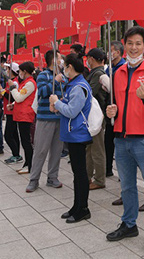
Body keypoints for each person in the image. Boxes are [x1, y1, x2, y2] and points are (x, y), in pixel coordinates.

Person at [106, 26, 144, 257]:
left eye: (138, 43)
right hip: (121, 139)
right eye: (130, 43)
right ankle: (129, 225)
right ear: (124, 44)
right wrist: (111, 111)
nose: (133, 47)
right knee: (127, 186)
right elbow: (114, 104)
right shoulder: (116, 72)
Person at [50, 53, 92, 223]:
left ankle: (83, 208)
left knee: (80, 174)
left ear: (70, 67)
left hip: (78, 135)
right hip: (72, 134)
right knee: (77, 173)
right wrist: (58, 107)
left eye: (65, 66)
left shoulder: (79, 87)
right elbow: (68, 108)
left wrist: (57, 102)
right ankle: (77, 206)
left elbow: (72, 111)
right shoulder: (73, 84)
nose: (63, 69)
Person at [26, 50, 65, 192]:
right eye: (60, 58)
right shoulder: (43, 75)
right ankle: (34, 179)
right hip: (45, 119)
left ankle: (52, 177)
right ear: (53, 60)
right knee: (40, 150)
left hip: (60, 118)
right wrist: (55, 81)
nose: (62, 61)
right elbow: (42, 92)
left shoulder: (63, 75)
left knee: (57, 150)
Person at [86, 48, 109, 191]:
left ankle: (100, 179)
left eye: (88, 58)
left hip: (97, 117)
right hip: (92, 117)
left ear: (92, 59)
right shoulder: (94, 73)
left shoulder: (98, 74)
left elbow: (89, 93)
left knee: (97, 149)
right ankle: (87, 176)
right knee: (89, 149)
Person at [10, 61, 37, 174]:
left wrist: (12, 88)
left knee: (26, 142)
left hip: (25, 115)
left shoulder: (30, 83)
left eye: (20, 71)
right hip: (21, 114)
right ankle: (27, 163)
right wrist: (13, 105)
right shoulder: (26, 82)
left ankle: (30, 165)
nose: (19, 73)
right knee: (24, 141)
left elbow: (19, 97)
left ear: (25, 71)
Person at [105, 40, 126, 179]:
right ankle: (108, 169)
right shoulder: (109, 68)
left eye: (111, 50)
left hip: (121, 110)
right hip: (109, 107)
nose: (109, 53)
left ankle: (123, 172)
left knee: (120, 143)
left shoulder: (124, 67)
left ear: (117, 52)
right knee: (108, 141)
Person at [0, 63, 22, 164]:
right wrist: (1, 95)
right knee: (14, 134)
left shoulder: (14, 83)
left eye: (7, 68)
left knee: (8, 135)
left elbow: (12, 97)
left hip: (12, 111)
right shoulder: (9, 82)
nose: (6, 70)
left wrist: (2, 92)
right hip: (8, 111)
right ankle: (16, 154)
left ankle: (16, 154)